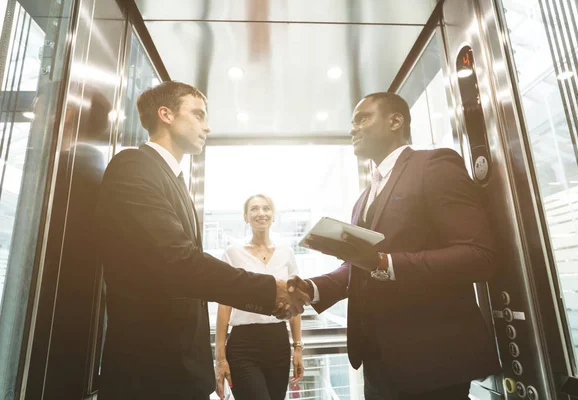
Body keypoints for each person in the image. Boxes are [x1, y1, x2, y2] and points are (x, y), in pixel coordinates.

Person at [94, 81, 309, 400]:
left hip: (179, 368)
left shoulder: (174, 181)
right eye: (198, 114)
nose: (207, 126)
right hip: (148, 370)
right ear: (165, 114)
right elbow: (178, 262)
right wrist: (269, 289)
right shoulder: (133, 168)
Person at [289, 92, 500, 399]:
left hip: (432, 362)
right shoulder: (364, 198)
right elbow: (358, 265)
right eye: (352, 122)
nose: (353, 129)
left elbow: (480, 255)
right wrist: (312, 288)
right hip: (379, 365)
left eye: (362, 118)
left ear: (395, 121)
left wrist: (385, 263)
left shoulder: (434, 165)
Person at [215, 194, 304, 400]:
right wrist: (220, 357)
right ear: (245, 217)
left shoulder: (286, 253)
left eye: (266, 208)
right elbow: (224, 305)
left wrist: (297, 347)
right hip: (243, 344)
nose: (260, 213)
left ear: (273, 216)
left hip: (278, 343)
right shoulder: (232, 253)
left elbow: (294, 302)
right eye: (254, 209)